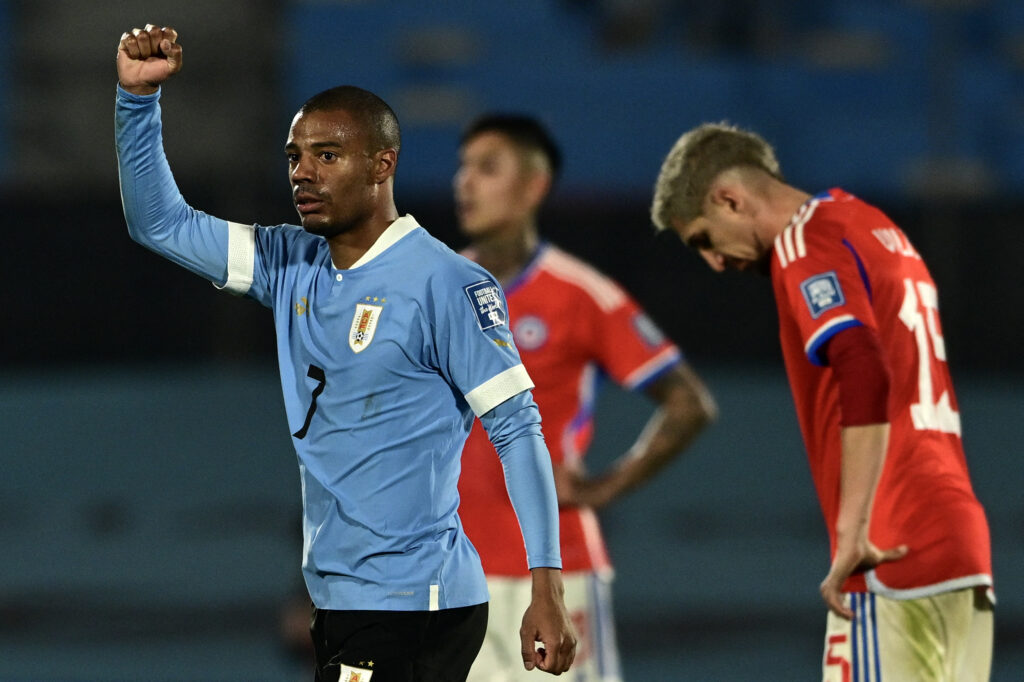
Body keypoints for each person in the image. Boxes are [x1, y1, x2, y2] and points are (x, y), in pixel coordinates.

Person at [115, 25, 577, 681]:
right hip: (342, 600)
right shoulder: (289, 263)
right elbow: (158, 223)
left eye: (327, 155)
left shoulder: (446, 284)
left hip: (415, 603)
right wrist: (136, 101)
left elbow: (517, 428)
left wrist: (547, 586)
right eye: (294, 155)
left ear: (381, 165)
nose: (302, 171)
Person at [651, 122, 994, 681]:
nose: (714, 263)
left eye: (704, 240)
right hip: (961, 551)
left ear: (729, 199)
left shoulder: (803, 240)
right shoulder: (874, 226)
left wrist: (853, 529)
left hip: (888, 550)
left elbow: (862, 364)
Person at [454, 114, 717, 681]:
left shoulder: (580, 294)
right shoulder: (431, 288)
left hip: (552, 576)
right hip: (446, 573)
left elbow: (688, 402)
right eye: (464, 166)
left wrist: (605, 487)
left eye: (487, 167)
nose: (464, 182)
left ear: (533, 186)